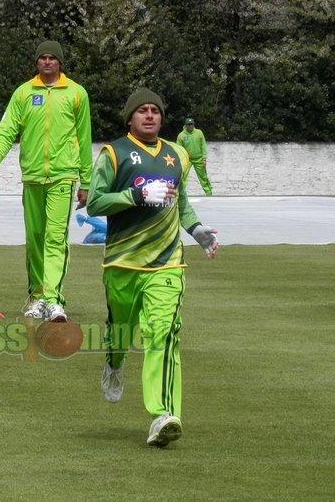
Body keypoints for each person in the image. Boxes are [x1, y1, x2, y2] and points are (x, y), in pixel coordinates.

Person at [86, 88, 218, 448]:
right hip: (122, 263)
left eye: (155, 111)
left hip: (167, 264)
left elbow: (182, 202)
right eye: (142, 111)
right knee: (120, 333)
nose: (149, 116)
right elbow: (94, 203)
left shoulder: (179, 154)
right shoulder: (113, 153)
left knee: (164, 334)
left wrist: (198, 230)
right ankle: (114, 365)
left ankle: (163, 416)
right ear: (129, 118)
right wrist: (135, 195)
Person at [0, 40, 92, 322]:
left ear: (59, 63)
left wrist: (87, 182)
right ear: (36, 62)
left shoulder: (77, 93)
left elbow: (84, 139)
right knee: (35, 241)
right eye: (42, 58)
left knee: (56, 239)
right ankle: (36, 297)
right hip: (32, 178)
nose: (47, 62)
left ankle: (54, 300)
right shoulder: (22, 93)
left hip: (62, 177)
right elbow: (7, 130)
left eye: (52, 58)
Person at [176, 117, 212, 195]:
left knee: (203, 177)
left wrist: (204, 159)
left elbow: (203, 146)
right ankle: (180, 194)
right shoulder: (181, 135)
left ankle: (209, 194)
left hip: (199, 159)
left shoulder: (199, 133)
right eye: (189, 124)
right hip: (187, 159)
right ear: (185, 125)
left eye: (191, 124)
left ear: (194, 124)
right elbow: (179, 149)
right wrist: (181, 161)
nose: (190, 126)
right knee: (183, 177)